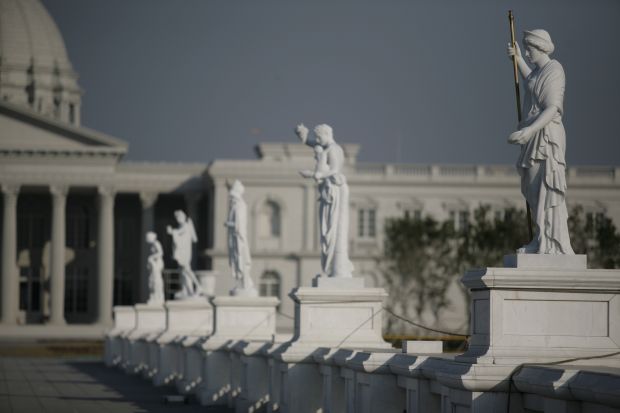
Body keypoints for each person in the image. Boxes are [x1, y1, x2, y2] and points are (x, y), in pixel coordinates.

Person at [507, 29, 574, 254]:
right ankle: (541, 238)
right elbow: (532, 83)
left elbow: (552, 108)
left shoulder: (555, 70)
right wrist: (517, 60)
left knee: (544, 187)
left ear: (541, 47)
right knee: (533, 188)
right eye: (525, 49)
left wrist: (529, 131)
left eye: (529, 49)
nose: (526, 52)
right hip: (535, 135)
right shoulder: (539, 72)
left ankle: (550, 241)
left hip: (547, 137)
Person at [296, 123, 354, 277]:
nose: (317, 140)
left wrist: (316, 175)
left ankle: (337, 267)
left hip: (333, 191)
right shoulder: (326, 147)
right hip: (329, 190)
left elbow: (334, 169)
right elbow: (310, 143)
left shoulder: (333, 149)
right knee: (329, 230)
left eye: (319, 137)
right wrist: (303, 136)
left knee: (332, 229)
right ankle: (332, 267)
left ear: (327, 134)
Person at [225, 180, 256, 295]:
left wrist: (228, 224)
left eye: (232, 197)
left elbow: (239, 225)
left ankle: (246, 283)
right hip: (235, 237)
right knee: (238, 261)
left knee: (241, 260)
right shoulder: (236, 205)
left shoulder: (239, 206)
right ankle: (243, 283)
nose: (231, 199)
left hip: (239, 238)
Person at [167, 210, 203, 298]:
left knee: (186, 269)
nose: (178, 219)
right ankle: (186, 289)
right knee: (182, 271)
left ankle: (198, 286)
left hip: (185, 252)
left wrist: (172, 232)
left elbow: (191, 238)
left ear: (183, 217)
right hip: (181, 252)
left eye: (179, 217)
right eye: (176, 217)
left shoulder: (186, 226)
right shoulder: (181, 227)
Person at [145, 231, 165, 305]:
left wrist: (151, 257)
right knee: (152, 279)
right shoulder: (153, 244)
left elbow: (161, 253)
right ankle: (154, 296)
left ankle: (158, 296)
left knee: (156, 279)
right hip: (154, 263)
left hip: (157, 263)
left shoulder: (156, 243)